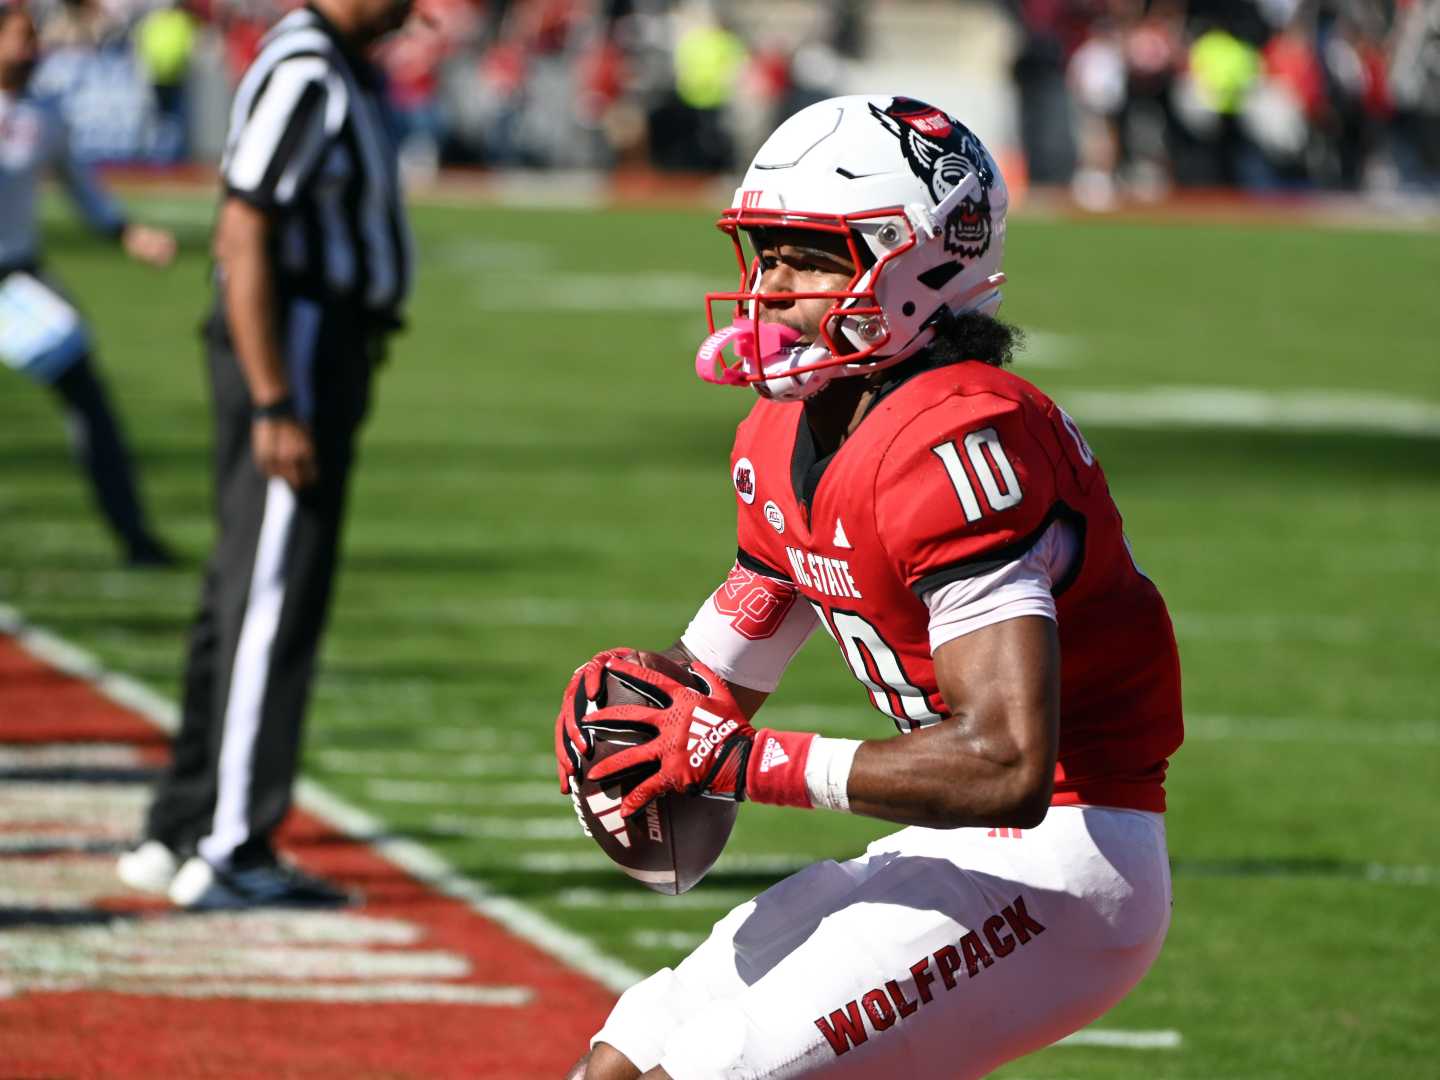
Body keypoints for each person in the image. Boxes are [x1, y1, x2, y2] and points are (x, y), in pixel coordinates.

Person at [556, 94, 1184, 1079]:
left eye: (809, 256)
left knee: (718, 1066)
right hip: (954, 846)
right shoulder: (787, 430)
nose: (771, 289)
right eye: (764, 254)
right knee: (637, 1044)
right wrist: (640, 716)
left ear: (924, 259)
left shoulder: (960, 435)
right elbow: (721, 670)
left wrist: (744, 765)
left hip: (1070, 857)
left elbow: (1007, 766)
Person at [116, 0, 414, 909]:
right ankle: (232, 844)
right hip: (297, 345)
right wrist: (276, 396)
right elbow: (242, 229)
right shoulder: (309, 68)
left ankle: (181, 827)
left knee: (244, 585)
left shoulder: (328, 62)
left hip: (312, 344)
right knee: (270, 597)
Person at [0, 0, 176, 567]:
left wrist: (126, 231)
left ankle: (133, 534)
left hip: (14, 282)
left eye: (35, 38)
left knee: (88, 400)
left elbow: (81, 186)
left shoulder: (43, 113)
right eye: (21, 37)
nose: (32, 50)